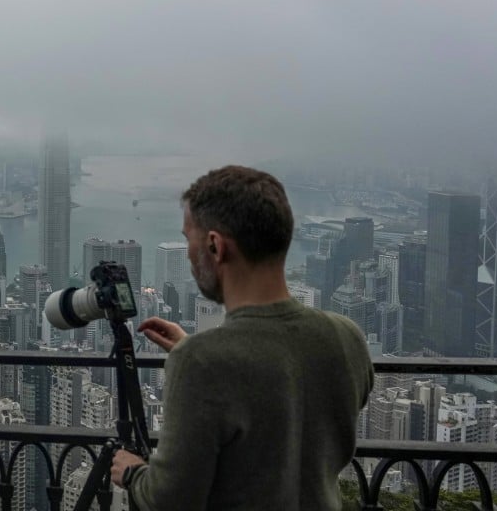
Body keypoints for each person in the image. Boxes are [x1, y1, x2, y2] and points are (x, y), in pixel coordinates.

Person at [110, 165, 373, 510]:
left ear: (215, 246)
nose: (188, 254)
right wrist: (195, 351)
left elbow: (170, 500)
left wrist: (132, 473)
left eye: (189, 239)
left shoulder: (201, 363)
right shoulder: (348, 338)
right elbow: (288, 392)